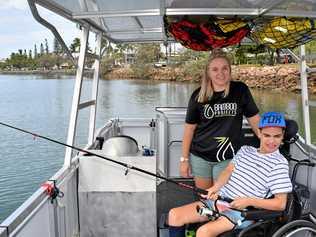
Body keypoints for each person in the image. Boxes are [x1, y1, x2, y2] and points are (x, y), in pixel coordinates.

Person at [170, 111, 293, 237]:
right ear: (259, 133)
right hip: (219, 202)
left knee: (203, 232)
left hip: (242, 213)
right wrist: (215, 188)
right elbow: (228, 171)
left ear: (282, 135)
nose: (272, 141)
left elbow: (280, 204)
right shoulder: (245, 150)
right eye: (267, 135)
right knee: (174, 215)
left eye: (277, 136)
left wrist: (249, 201)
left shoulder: (279, 163)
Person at [181, 49, 260, 189]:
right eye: (215, 69)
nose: (220, 73)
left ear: (230, 70)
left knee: (221, 200)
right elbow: (189, 129)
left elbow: (254, 119)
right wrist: (184, 160)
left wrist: (266, 142)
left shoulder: (240, 90)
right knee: (204, 198)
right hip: (200, 156)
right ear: (208, 73)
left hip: (227, 157)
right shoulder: (198, 96)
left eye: (225, 68)